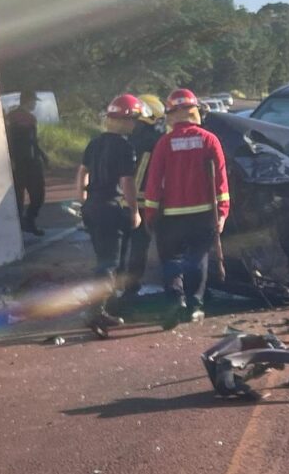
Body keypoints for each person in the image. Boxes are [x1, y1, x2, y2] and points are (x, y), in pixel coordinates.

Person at [143, 88, 229, 329]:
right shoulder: (209, 140)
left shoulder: (164, 143)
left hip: (170, 217)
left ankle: (174, 300)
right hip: (203, 215)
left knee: (171, 259)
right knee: (197, 258)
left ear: (170, 115)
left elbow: (153, 183)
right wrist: (222, 212)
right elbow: (221, 181)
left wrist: (150, 214)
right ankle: (194, 304)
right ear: (195, 112)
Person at [77, 94, 143, 278]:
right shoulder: (125, 147)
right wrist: (134, 210)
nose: (134, 124)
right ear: (124, 120)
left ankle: (110, 301)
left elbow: (83, 172)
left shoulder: (94, 143)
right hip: (112, 209)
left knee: (102, 257)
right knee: (110, 263)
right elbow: (126, 181)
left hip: (92, 207)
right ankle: (99, 305)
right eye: (133, 120)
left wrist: (82, 200)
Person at [118, 93, 166, 300]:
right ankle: (131, 285)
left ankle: (115, 284)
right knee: (139, 246)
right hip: (141, 201)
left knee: (119, 245)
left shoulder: (124, 135)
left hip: (118, 200)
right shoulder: (154, 140)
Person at [5, 90, 48, 236]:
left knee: (34, 194)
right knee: (23, 196)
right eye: (33, 101)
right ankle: (23, 224)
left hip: (30, 160)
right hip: (21, 162)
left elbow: (33, 141)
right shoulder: (15, 117)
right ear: (27, 101)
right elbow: (12, 141)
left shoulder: (29, 118)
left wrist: (42, 155)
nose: (35, 104)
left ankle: (27, 222)